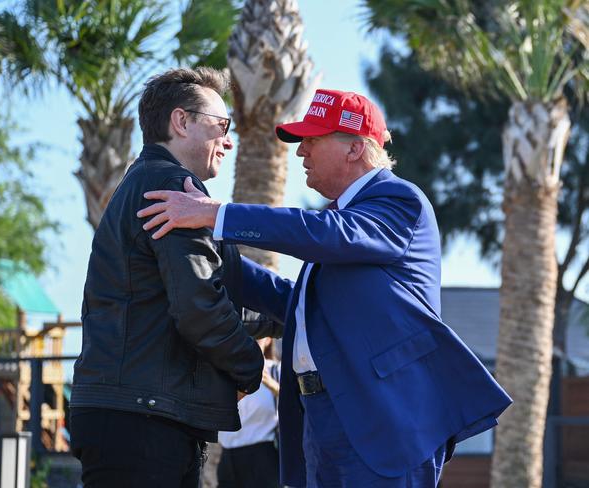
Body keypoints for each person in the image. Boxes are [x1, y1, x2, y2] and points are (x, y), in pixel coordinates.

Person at [137, 88, 513, 487]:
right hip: (322, 421)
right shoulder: (336, 222)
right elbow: (294, 303)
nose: (301, 152)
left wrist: (216, 215)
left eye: (312, 140)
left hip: (381, 420)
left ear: (354, 148)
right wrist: (213, 249)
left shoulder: (399, 199)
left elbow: (330, 235)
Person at [69, 67, 265, 488]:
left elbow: (193, 294)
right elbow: (199, 307)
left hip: (131, 414)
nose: (228, 140)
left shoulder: (142, 180)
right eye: (221, 125)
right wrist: (250, 368)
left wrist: (290, 311)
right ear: (181, 121)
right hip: (144, 423)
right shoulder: (174, 189)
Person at [217, 337, 281, 488]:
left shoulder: (276, 370)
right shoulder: (224, 372)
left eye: (258, 336)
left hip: (262, 458)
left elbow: (295, 403)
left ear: (269, 340)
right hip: (227, 458)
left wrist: (271, 384)